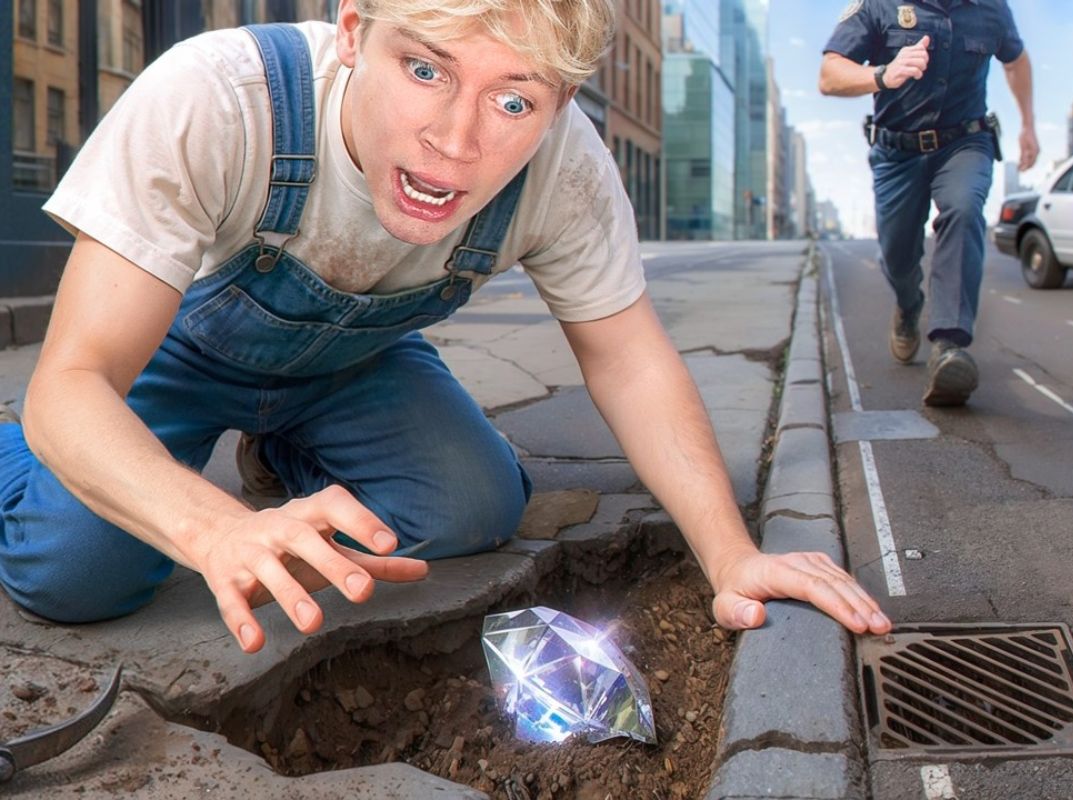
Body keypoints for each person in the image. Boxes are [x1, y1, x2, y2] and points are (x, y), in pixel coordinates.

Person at [0, 0, 891, 654]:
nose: (456, 142)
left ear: (562, 100)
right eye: (425, 70)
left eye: (514, 102)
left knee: (474, 503)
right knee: (78, 573)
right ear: (354, 30)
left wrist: (730, 555)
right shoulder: (218, 97)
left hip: (352, 368)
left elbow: (628, 359)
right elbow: (76, 378)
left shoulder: (567, 172)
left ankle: (284, 463)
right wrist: (213, 531)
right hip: (171, 350)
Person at [819, 0, 1038, 405]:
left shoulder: (992, 8)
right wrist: (883, 74)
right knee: (897, 255)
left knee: (964, 208)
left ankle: (949, 347)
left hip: (964, 142)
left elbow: (1016, 61)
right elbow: (830, 75)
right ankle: (908, 303)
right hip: (896, 153)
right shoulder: (879, 5)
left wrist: (1028, 124)